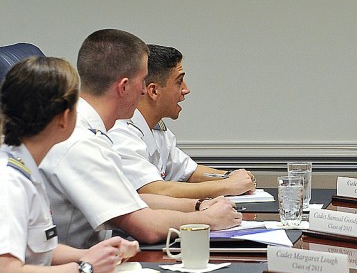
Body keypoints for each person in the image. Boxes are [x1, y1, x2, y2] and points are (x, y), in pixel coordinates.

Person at [40, 29, 242, 249]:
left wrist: (199, 205)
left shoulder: (88, 129)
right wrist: (209, 220)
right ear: (124, 87)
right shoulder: (82, 141)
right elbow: (144, 226)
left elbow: (132, 201)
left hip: (94, 256)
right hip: (70, 268)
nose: (146, 91)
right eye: (143, 81)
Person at [0, 56, 139, 273]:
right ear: (65, 117)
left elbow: (38, 249)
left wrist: (93, 255)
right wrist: (85, 268)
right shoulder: (9, 181)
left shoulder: (25, 165)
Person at [109, 44, 256, 199]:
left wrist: (232, 176)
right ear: (153, 91)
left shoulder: (158, 130)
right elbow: (154, 190)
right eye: (179, 82)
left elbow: (188, 171)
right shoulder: (120, 133)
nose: (186, 89)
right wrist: (227, 185)